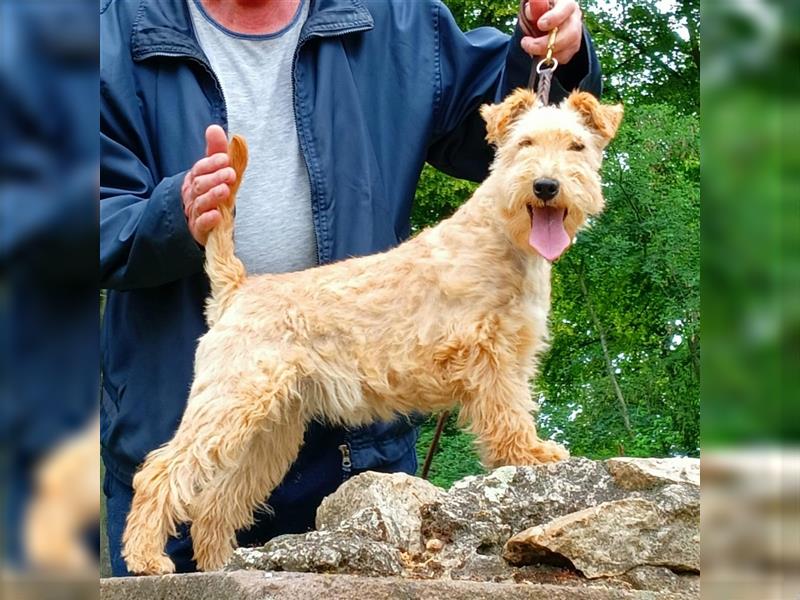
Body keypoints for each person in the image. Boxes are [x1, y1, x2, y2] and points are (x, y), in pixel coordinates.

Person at [100, 0, 601, 576]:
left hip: (362, 459)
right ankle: (146, 534)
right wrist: (169, 215)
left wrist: (553, 53)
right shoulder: (110, 35)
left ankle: (214, 536)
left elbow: (494, 109)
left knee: (266, 443)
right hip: (235, 335)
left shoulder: (401, 21)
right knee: (215, 439)